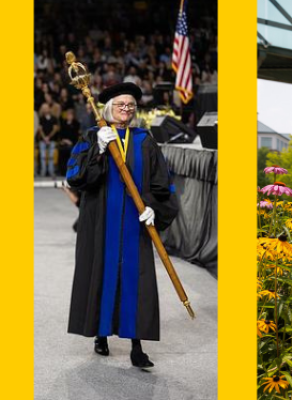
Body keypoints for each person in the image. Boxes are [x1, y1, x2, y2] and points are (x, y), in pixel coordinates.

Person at [66, 82, 180, 369]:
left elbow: (162, 182)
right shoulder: (93, 136)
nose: (126, 109)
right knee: (102, 273)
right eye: (121, 105)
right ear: (108, 108)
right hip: (100, 222)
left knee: (135, 279)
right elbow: (76, 177)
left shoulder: (145, 140)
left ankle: (136, 347)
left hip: (134, 222)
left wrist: (153, 207)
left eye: (131, 105)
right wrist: (99, 150)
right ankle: (101, 335)